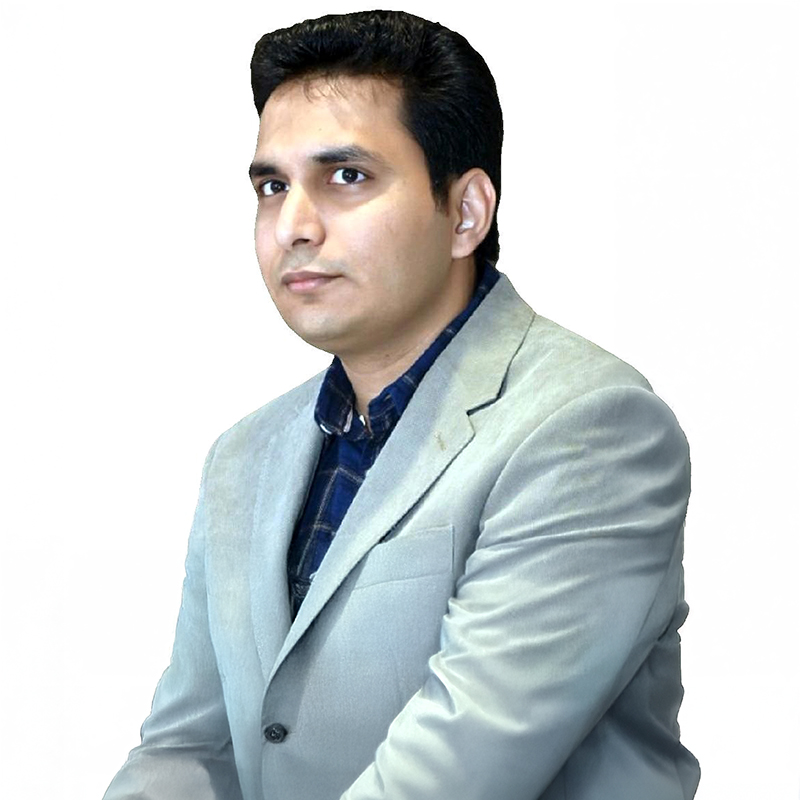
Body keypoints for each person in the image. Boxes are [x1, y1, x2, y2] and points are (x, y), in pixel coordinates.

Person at [103, 10, 700, 800]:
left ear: (465, 213)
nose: (294, 226)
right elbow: (189, 750)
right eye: (273, 186)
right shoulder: (243, 456)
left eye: (347, 177)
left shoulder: (590, 428)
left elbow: (454, 774)